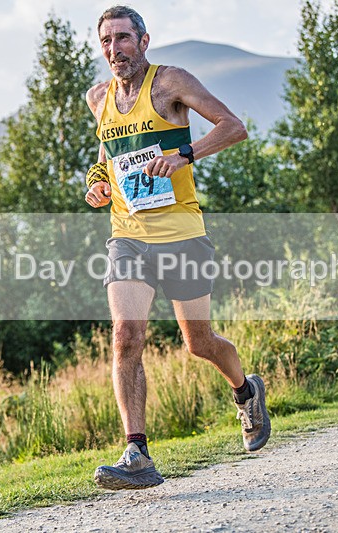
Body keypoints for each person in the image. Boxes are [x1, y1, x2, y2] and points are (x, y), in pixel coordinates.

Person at [84, 5, 270, 491]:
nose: (114, 49)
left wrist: (183, 154)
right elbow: (108, 152)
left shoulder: (170, 83)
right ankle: (137, 453)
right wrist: (98, 181)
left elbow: (233, 126)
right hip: (126, 235)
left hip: (181, 232)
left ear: (144, 41)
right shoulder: (98, 97)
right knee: (125, 336)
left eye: (123, 39)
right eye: (106, 41)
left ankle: (246, 391)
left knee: (199, 344)